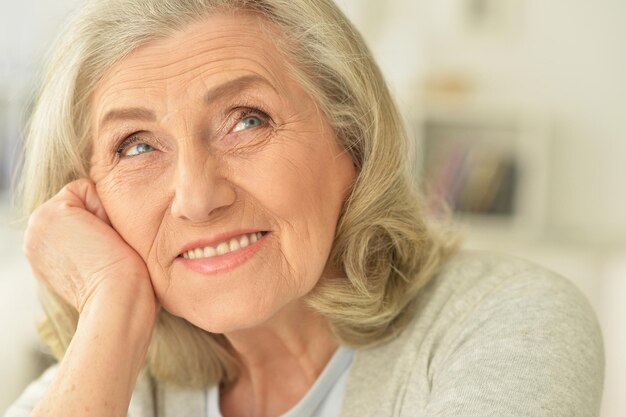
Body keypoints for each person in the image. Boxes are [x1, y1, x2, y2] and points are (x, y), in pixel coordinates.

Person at [6, 0, 604, 416]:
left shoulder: (501, 320)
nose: (197, 197)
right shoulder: (114, 376)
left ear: (354, 140)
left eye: (247, 120)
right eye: (137, 146)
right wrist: (112, 304)